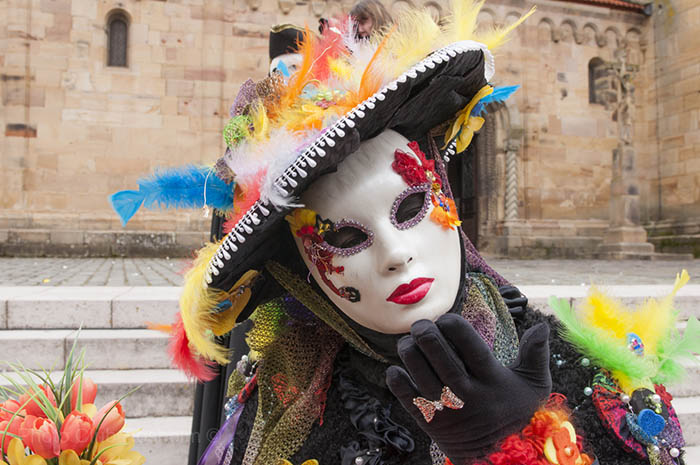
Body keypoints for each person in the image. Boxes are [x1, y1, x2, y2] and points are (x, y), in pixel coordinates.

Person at [110, 1, 695, 464]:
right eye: (342, 238)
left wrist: (512, 444)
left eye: (412, 205)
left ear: (449, 196)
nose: (394, 253)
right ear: (304, 273)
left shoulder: (591, 379)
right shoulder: (282, 409)